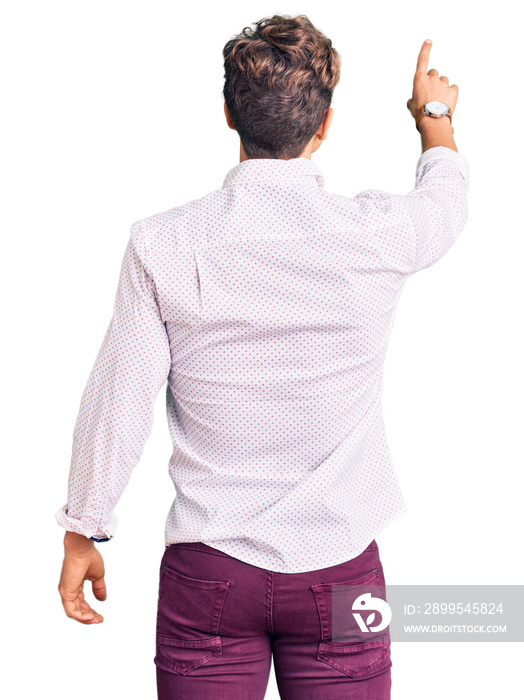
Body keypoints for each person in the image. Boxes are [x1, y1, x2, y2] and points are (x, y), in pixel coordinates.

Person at [56, 14, 468, 700]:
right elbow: (445, 204)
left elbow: (120, 396)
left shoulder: (163, 245)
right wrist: (434, 118)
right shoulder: (377, 235)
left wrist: (82, 529)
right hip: (339, 571)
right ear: (326, 124)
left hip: (210, 573)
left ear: (227, 114)